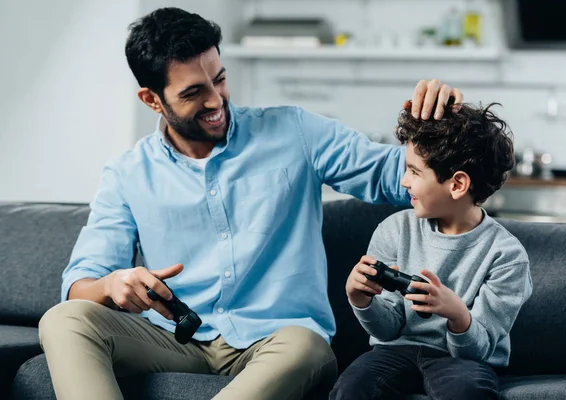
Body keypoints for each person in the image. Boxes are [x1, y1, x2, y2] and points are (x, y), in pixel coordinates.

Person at [38, 7, 463, 400]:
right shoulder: (127, 174)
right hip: (176, 339)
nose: (216, 100)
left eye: (219, 79)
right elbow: (80, 284)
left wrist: (441, 127)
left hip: (280, 342)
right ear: (152, 99)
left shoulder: (294, 131)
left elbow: (398, 177)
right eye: (193, 92)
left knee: (304, 346)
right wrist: (112, 286)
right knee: (64, 320)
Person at [331, 102, 533, 400]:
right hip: (395, 351)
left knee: (468, 391)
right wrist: (362, 300)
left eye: (414, 172)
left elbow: (479, 349)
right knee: (350, 389)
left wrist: (457, 314)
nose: (404, 181)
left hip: (462, 359)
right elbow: (388, 330)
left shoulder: (506, 256)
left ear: (457, 184)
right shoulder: (394, 230)